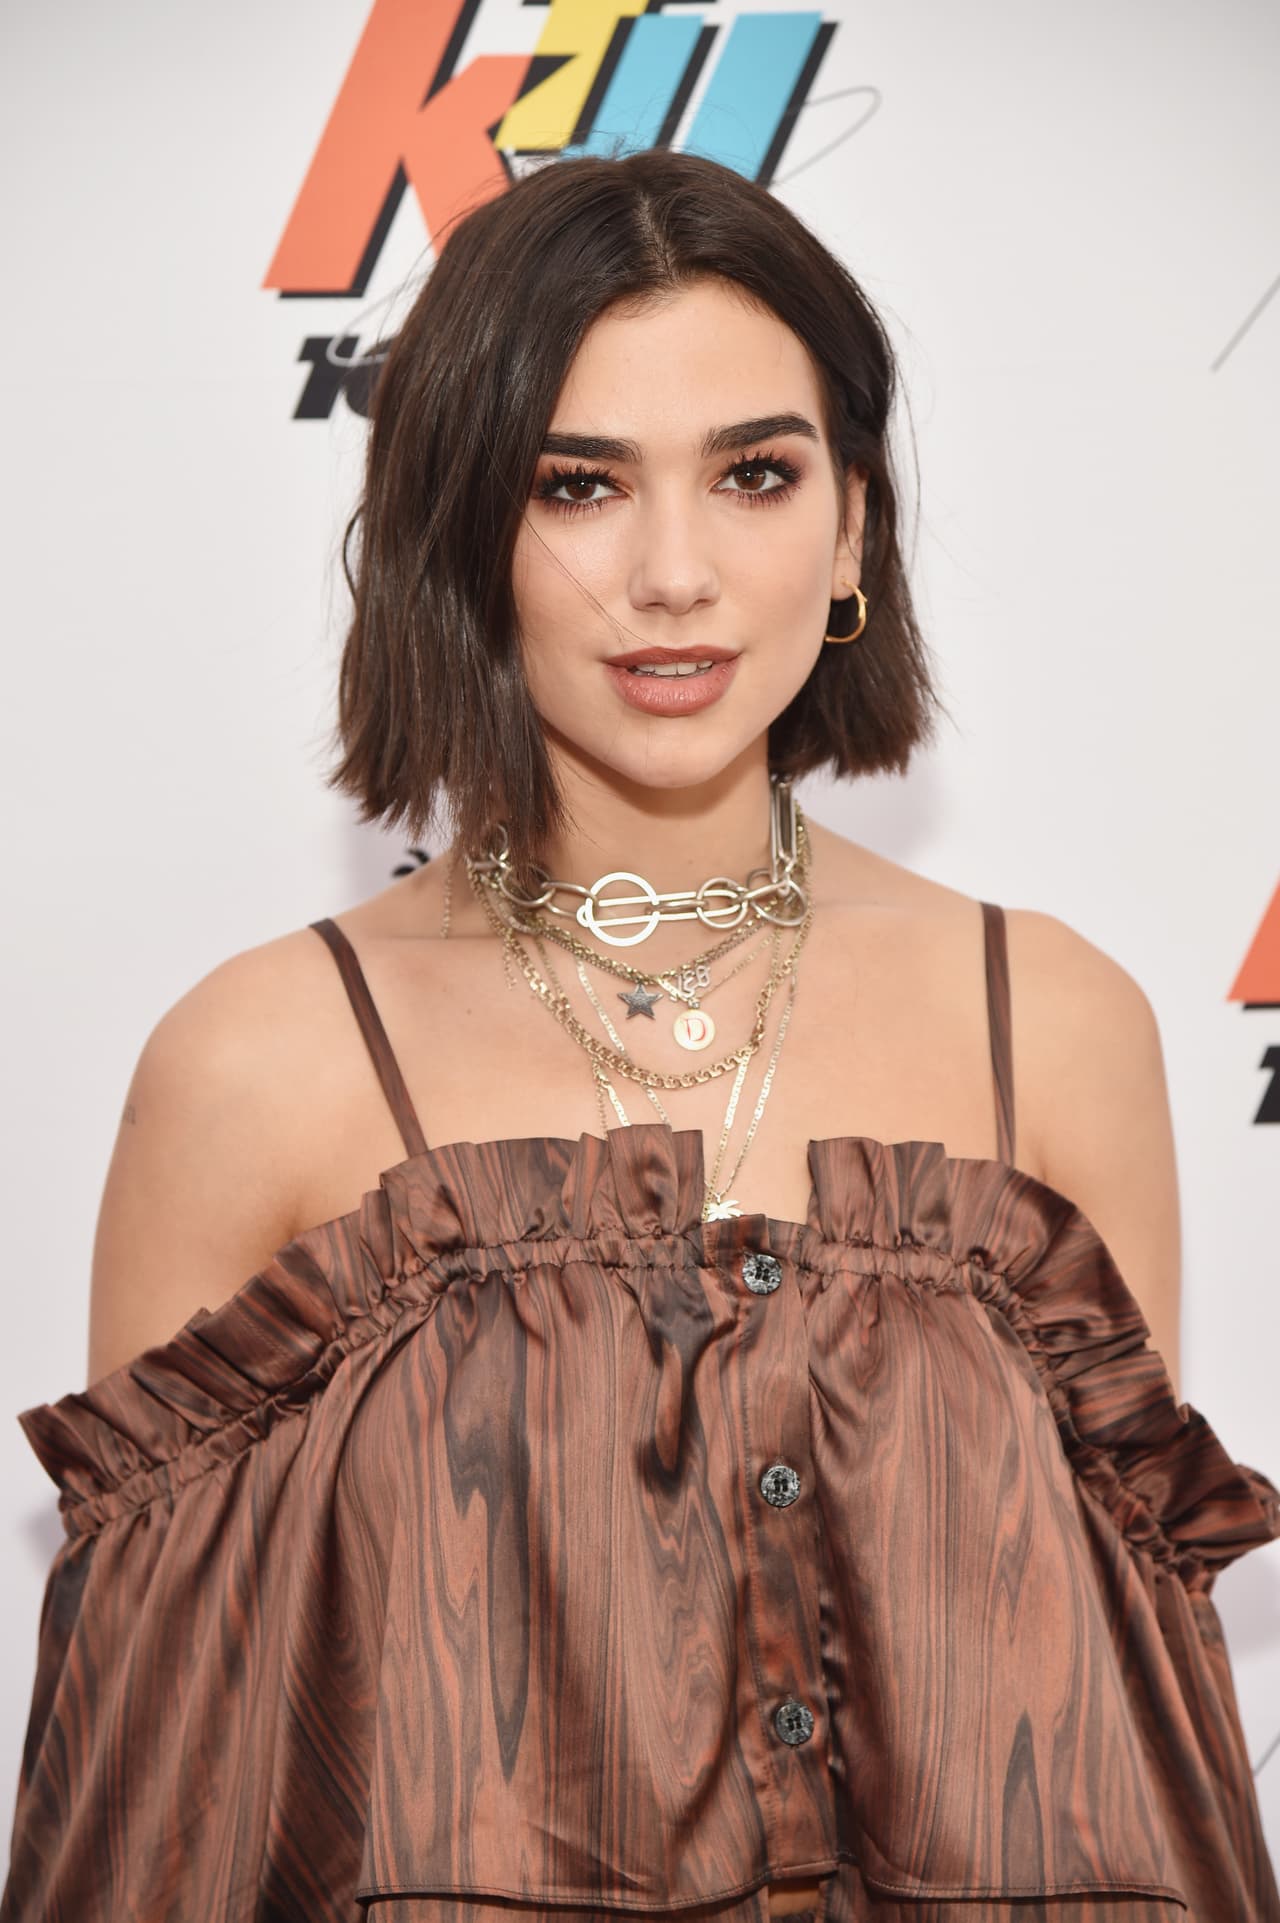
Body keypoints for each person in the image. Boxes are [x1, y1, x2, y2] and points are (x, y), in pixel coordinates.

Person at [3, 149, 1277, 1923]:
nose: (674, 574)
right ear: (463, 530)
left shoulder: (1051, 1025)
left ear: (852, 529)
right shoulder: (257, 1065)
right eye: (578, 485)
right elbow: (156, 1811)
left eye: (756, 475)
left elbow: (1135, 1731)